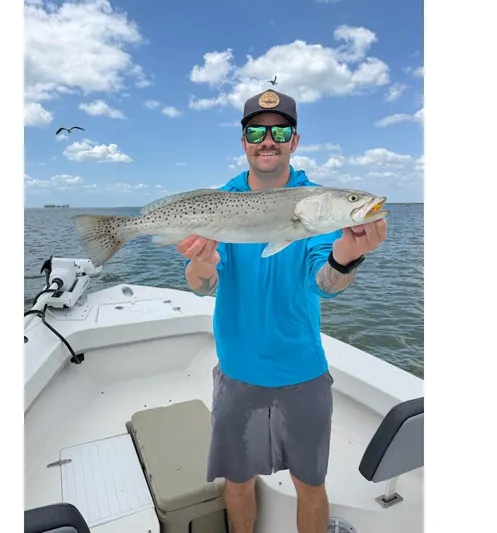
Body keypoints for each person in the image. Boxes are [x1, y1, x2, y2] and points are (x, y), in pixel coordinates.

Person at [176, 89, 388, 533]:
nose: (267, 139)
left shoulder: (313, 205)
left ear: (294, 140)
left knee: (311, 485)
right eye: (256, 130)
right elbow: (203, 286)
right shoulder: (221, 203)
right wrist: (201, 262)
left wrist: (346, 254)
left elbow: (325, 285)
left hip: (303, 371)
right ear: (244, 141)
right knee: (237, 484)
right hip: (238, 372)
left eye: (279, 130)